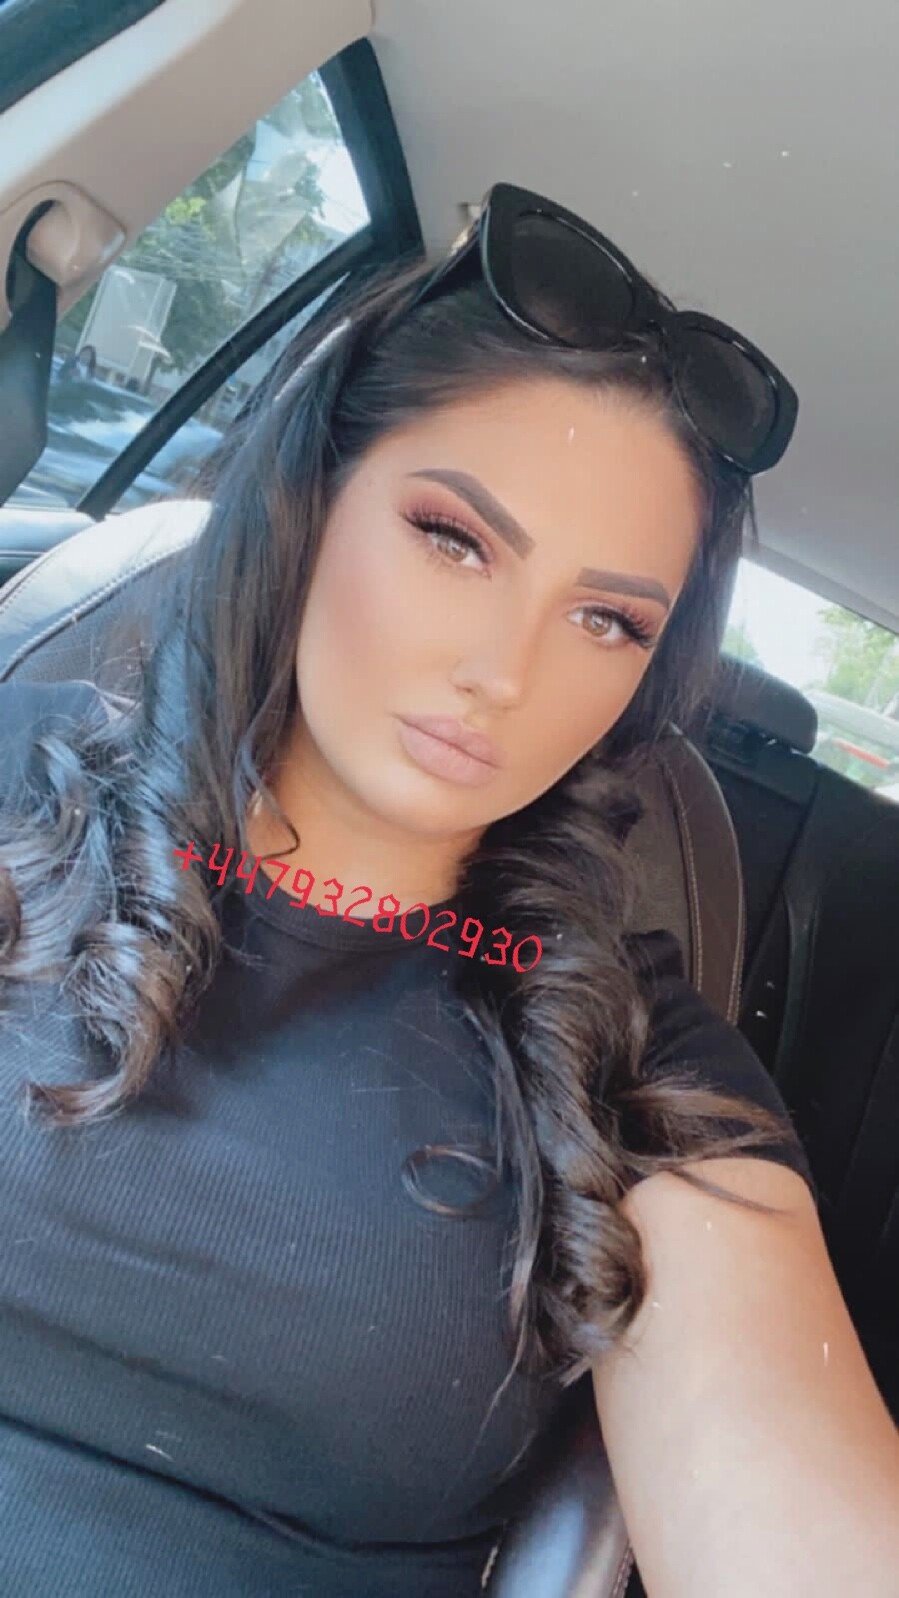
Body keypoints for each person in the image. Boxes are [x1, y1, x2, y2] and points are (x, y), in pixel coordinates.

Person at [1, 183, 897, 1597]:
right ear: (311, 497)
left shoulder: (633, 1071)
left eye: (606, 618)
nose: (506, 670)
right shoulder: (21, 783)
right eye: (454, 538)